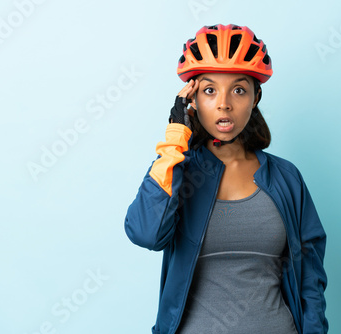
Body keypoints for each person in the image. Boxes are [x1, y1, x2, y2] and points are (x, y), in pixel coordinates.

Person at [124, 24, 328, 334]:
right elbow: (145, 234)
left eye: (239, 89)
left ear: (255, 97)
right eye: (209, 90)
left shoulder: (286, 178)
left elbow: (311, 275)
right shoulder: (178, 171)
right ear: (192, 98)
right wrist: (175, 139)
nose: (224, 103)